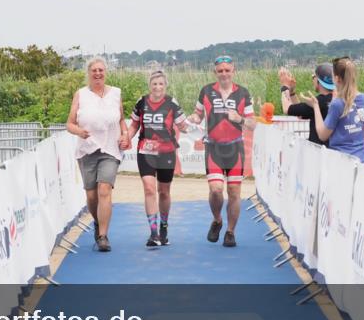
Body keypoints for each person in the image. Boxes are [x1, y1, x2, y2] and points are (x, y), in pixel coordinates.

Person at [185, 55, 256, 248]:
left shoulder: (243, 93)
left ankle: (230, 232)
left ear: (233, 71)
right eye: (220, 71)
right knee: (216, 190)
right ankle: (217, 220)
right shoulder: (206, 91)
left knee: (234, 192)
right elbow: (198, 114)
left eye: (227, 70)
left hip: (235, 149)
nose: (224, 74)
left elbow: (253, 123)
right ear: (215, 72)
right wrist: (192, 118)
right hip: (214, 148)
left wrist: (240, 119)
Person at [66, 57, 129, 253]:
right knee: (92, 196)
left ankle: (103, 236)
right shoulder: (81, 95)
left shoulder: (116, 93)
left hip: (110, 150)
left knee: (104, 189)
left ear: (105, 72)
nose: (98, 73)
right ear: (89, 73)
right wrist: (79, 131)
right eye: (94, 70)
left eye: (101, 70)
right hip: (87, 149)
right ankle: (97, 221)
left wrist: (125, 135)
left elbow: (121, 121)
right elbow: (69, 124)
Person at [127, 70, 188, 247]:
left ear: (165, 85)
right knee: (148, 188)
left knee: (164, 191)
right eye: (154, 84)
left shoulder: (171, 103)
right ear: (150, 85)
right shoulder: (142, 102)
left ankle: (163, 227)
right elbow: (134, 125)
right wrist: (126, 138)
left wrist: (190, 128)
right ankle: (153, 233)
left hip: (167, 152)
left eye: (161, 84)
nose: (157, 87)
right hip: (145, 150)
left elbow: (183, 125)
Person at [302, 57, 364, 165]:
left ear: (336, 78)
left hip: (342, 162)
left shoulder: (337, 104)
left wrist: (315, 106)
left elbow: (322, 135)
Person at [278, 64, 334, 144]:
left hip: (319, 152)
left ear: (318, 80)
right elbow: (300, 113)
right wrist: (292, 92)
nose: (312, 80)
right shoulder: (334, 100)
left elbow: (287, 109)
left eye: (313, 76)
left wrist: (285, 87)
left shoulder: (318, 103)